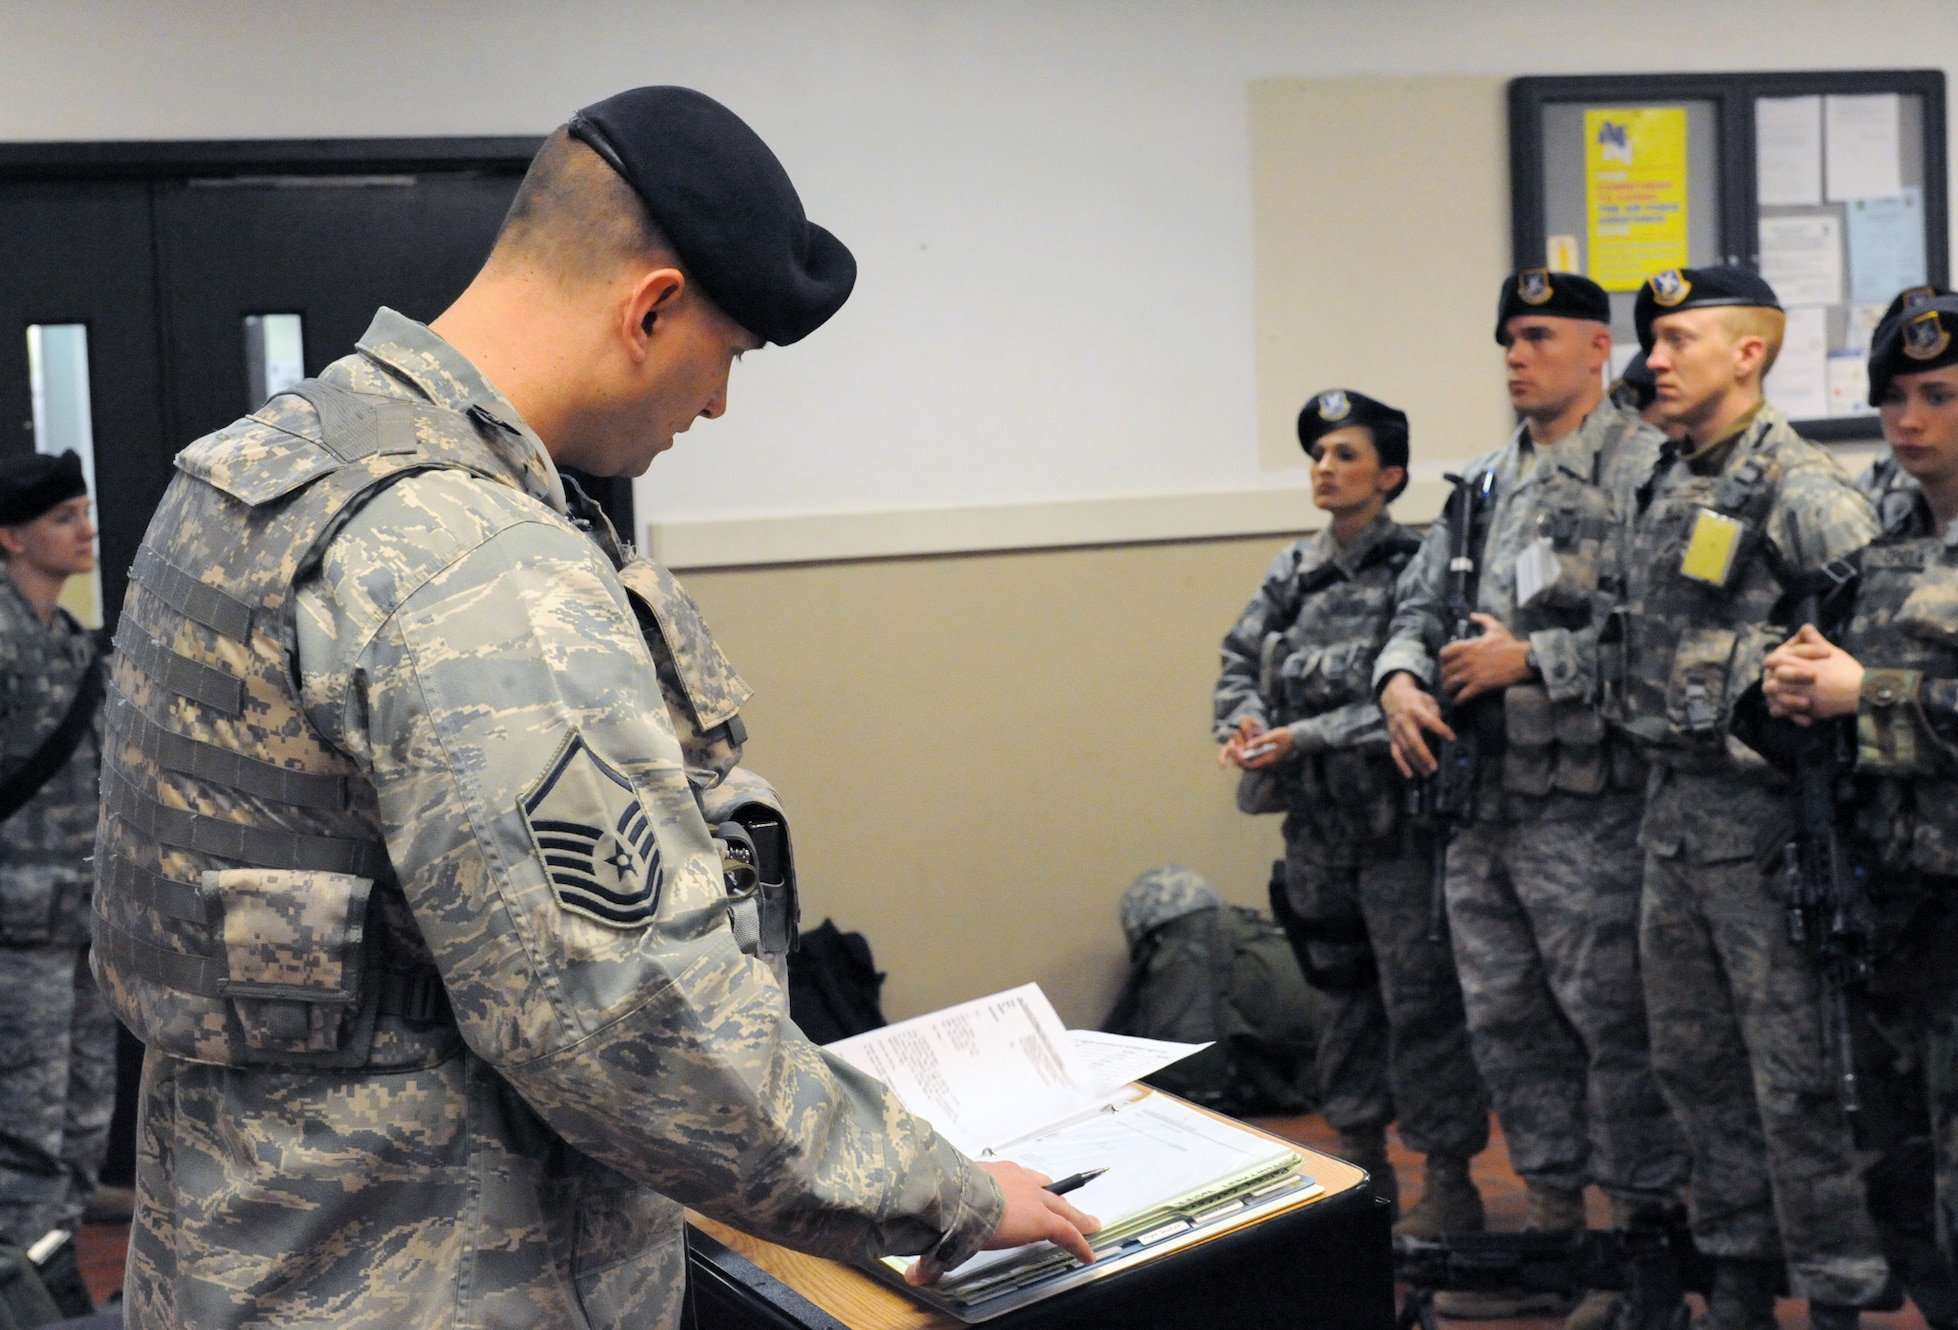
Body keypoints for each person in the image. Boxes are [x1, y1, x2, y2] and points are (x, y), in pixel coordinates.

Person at [91, 86, 1096, 1328]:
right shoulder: (469, 557)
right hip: (444, 1270)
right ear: (652, 307)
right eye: (725, 356)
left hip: (241, 1259)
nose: (717, 405)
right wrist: (939, 1190)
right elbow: (627, 1019)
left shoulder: (248, 475)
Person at [1375, 270, 1685, 1326]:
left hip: (1593, 811)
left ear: (1597, 349)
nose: (1515, 353)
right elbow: (1411, 607)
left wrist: (1534, 658)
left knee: (1615, 1029)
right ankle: (1555, 1232)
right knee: (1506, 1027)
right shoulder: (1477, 485)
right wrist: (1398, 680)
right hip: (1481, 813)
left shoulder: (1647, 471)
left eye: (1538, 335)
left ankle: (1643, 1246)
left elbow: (1668, 634)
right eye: (1506, 336)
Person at [1605, 265, 1887, 1330]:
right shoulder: (1661, 477)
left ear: (1747, 352)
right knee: (1694, 1069)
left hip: (1766, 833)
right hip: (1668, 823)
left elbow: (1874, 635)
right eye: (1651, 341)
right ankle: (1732, 1279)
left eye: (1677, 339)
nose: (1654, 361)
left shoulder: (1801, 486)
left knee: (1799, 1082)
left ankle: (1836, 1296)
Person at [1760, 292, 1958, 1329]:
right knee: (1897, 1179)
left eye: (1937, 394)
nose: (1907, 418)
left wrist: (1866, 695)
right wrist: (1787, 682)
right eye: (1891, 396)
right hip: (1890, 911)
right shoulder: (1879, 532)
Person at [1215, 389, 1489, 1236]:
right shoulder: (1292, 571)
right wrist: (1246, 726)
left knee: (1422, 1009)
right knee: (1338, 1005)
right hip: (1318, 837)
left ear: (1391, 474)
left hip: (1400, 835)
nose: (1324, 471)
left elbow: (1415, 692)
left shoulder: (1420, 567)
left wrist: (1306, 735)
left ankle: (1450, 1186)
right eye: (1318, 456)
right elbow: (1237, 663)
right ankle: (1363, 1179)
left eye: (1345, 456)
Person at [0, 451, 112, 1289]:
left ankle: (54, 1264)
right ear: (9, 537)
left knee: (83, 1112)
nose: (85, 530)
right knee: (23, 1123)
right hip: (13, 925)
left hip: (79, 915)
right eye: (61, 517)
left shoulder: (75, 643)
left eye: (84, 510)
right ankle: (24, 1284)